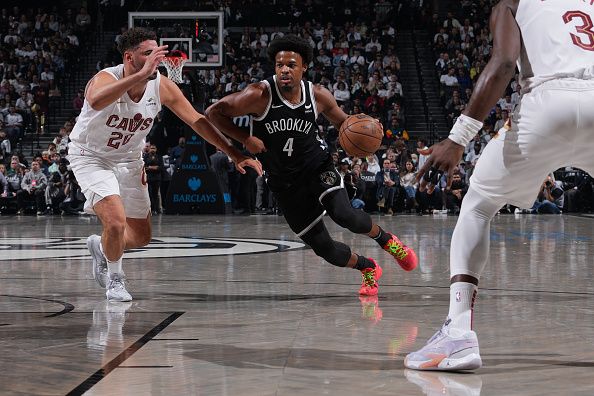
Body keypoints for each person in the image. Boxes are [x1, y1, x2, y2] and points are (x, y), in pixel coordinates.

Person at [407, 0, 594, 371]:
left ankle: (458, 332)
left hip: (548, 102)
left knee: (478, 204)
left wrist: (459, 137)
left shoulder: (512, 2)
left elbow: (505, 63)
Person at [206, 35, 418, 296]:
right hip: (283, 182)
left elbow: (344, 123)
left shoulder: (317, 95)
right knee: (324, 248)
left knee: (346, 215)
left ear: (303, 66)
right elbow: (213, 112)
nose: (284, 70)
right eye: (279, 65)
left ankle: (389, 242)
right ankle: (368, 267)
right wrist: (244, 139)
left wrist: (370, 128)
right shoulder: (258, 95)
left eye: (291, 65)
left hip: (317, 167)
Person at [68, 27, 262, 302]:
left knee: (141, 236)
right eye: (148, 54)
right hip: (91, 157)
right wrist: (139, 74)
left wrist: (233, 152)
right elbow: (96, 100)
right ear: (129, 57)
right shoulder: (104, 78)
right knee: (115, 222)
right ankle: (115, 280)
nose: (154, 60)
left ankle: (101, 247)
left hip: (129, 160)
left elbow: (196, 120)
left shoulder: (161, 85)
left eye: (156, 54)